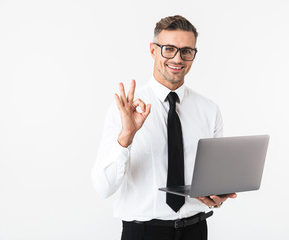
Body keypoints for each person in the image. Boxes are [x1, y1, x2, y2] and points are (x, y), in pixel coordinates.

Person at [92, 15, 237, 240]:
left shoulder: (209, 110)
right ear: (153, 50)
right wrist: (127, 135)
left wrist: (216, 198)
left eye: (187, 51)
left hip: (195, 231)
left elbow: (213, 181)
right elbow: (104, 187)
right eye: (169, 49)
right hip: (143, 233)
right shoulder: (125, 109)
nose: (178, 59)